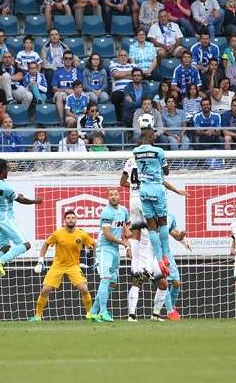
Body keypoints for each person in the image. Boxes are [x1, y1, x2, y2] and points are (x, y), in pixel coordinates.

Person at [0, 158, 43, 284]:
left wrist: (18, 196)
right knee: (25, 245)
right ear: (2, 171)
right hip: (5, 218)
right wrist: (35, 201)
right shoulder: (5, 188)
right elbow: (21, 200)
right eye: (7, 169)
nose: (8, 171)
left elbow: (13, 196)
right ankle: (0, 262)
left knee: (5, 248)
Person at [30, 210, 96, 321]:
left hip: (73, 266)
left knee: (84, 289)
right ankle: (37, 316)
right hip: (57, 266)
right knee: (45, 290)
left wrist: (96, 259)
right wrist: (40, 260)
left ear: (76, 220)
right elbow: (46, 244)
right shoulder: (57, 234)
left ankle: (90, 314)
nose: (70, 219)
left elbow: (94, 244)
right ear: (64, 221)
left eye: (72, 218)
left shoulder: (81, 234)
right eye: (68, 218)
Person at [127, 213, 190, 321]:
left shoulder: (164, 218)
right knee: (138, 282)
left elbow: (173, 234)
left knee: (163, 284)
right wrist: (129, 248)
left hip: (156, 255)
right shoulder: (140, 216)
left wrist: (181, 237)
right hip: (142, 254)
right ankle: (131, 315)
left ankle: (155, 315)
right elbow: (132, 236)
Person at [132, 125, 171, 277]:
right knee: (163, 222)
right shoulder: (159, 151)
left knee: (151, 226)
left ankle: (159, 260)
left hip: (143, 191)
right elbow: (166, 171)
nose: (155, 137)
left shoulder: (135, 152)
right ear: (149, 136)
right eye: (153, 135)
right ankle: (164, 255)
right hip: (156, 188)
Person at [87, 188, 131, 322]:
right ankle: (103, 311)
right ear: (107, 198)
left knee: (112, 282)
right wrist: (124, 243)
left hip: (116, 249)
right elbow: (107, 235)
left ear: (120, 196)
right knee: (106, 278)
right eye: (111, 195)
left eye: (116, 194)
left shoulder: (124, 211)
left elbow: (127, 228)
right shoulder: (106, 212)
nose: (113, 197)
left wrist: (128, 240)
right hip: (104, 248)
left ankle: (93, 312)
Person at [109, 50, 135, 120]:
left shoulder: (132, 65)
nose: (123, 57)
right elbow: (116, 74)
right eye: (121, 55)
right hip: (119, 91)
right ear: (118, 57)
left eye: (125, 56)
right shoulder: (113, 65)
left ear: (128, 57)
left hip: (132, 90)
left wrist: (121, 75)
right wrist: (130, 73)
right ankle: (119, 119)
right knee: (117, 96)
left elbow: (137, 77)